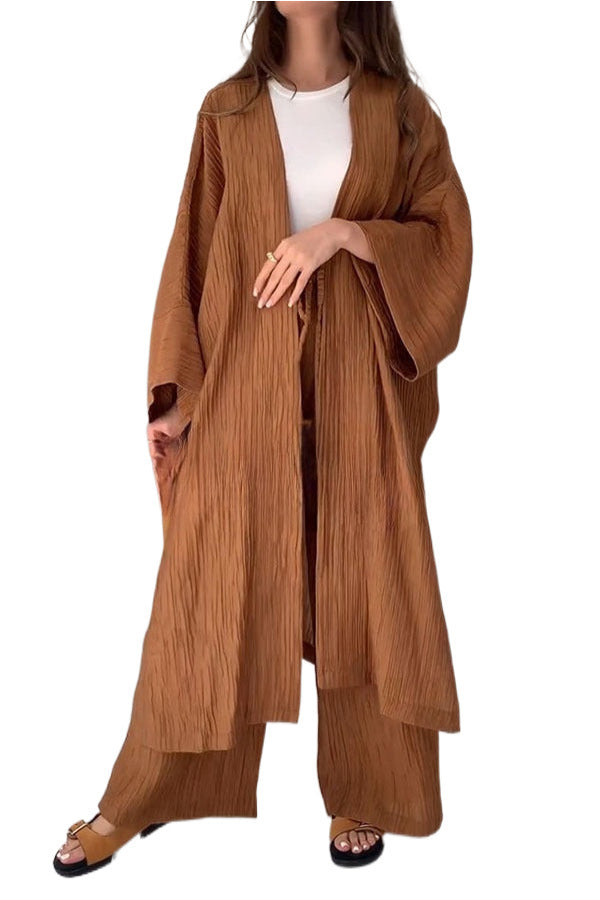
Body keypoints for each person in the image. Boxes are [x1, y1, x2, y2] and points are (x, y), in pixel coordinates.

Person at [54, 0, 473, 875]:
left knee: (366, 589)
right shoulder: (228, 111)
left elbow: (445, 243)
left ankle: (367, 791)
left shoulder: (399, 109)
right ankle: (143, 796)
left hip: (359, 395)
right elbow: (192, 257)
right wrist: (176, 397)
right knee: (202, 597)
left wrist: (344, 235)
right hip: (245, 390)